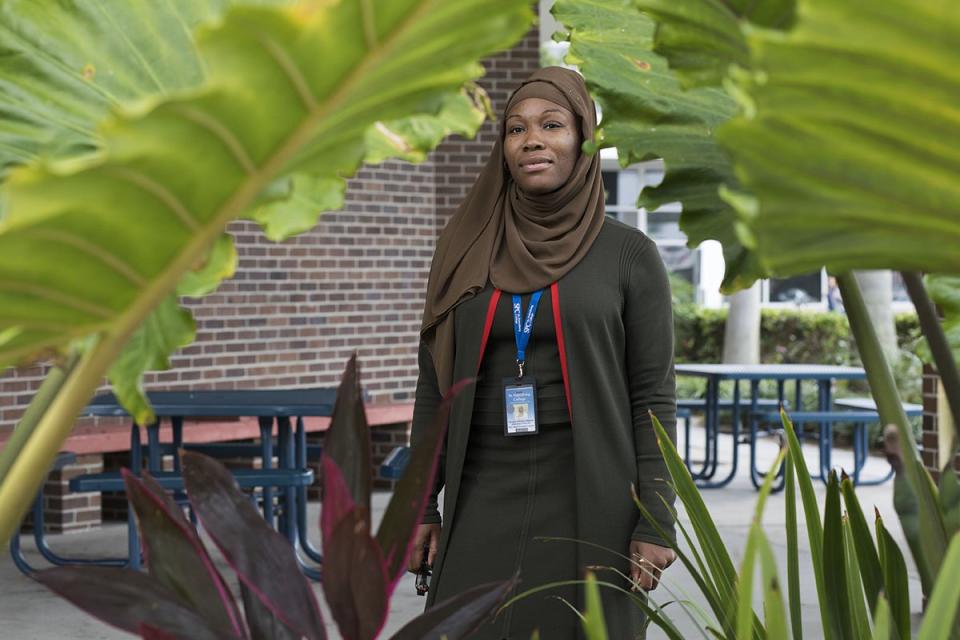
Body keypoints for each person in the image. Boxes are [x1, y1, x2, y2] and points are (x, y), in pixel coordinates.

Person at [406, 66, 677, 639]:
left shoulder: (629, 256)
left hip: (592, 491)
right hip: (481, 484)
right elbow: (433, 384)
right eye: (515, 129)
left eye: (552, 125)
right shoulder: (464, 246)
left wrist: (656, 518)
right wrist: (421, 506)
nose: (532, 140)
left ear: (583, 138)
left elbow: (653, 396)